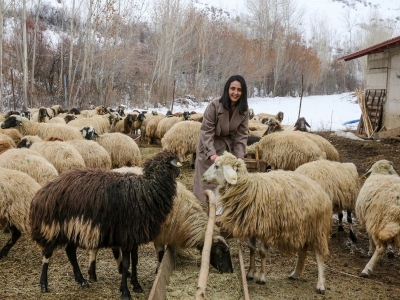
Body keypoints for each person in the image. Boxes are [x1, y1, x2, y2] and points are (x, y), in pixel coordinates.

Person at [193, 75, 249, 204]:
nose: (235, 93)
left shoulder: (244, 110)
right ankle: (203, 208)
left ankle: (220, 210)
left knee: (225, 181)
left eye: (239, 90)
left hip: (227, 148)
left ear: (243, 92)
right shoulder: (214, 106)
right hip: (209, 146)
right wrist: (212, 154)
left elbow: (242, 135)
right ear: (227, 89)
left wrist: (239, 157)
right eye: (232, 89)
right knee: (207, 180)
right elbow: (206, 131)